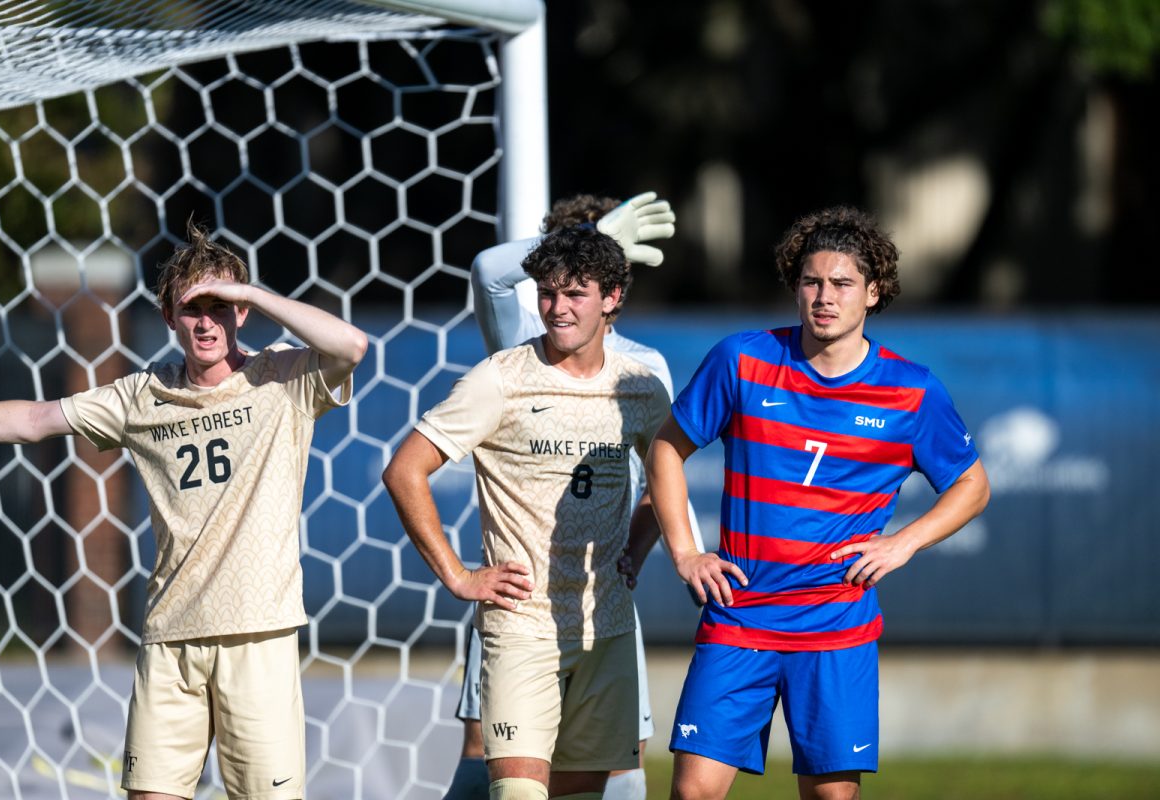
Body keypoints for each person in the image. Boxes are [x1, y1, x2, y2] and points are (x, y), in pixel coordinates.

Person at [0, 221, 368, 800]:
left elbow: (352, 346)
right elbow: (34, 420)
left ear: (241, 314)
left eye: (220, 306)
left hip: (257, 634)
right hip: (170, 637)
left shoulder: (282, 378)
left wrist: (250, 291)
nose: (208, 322)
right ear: (170, 317)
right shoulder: (141, 395)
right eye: (192, 308)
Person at [644, 206, 991, 800]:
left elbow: (972, 485)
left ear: (872, 293)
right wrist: (684, 554)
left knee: (831, 797)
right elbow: (666, 449)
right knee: (692, 792)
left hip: (837, 624)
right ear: (795, 286)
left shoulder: (912, 389)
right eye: (811, 282)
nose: (824, 297)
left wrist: (904, 542)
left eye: (842, 283)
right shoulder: (742, 360)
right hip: (739, 618)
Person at [383, 225, 671, 800]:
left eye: (575, 294)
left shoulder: (639, 386)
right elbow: (405, 470)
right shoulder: (500, 378)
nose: (557, 309)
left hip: (605, 628)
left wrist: (636, 549)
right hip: (520, 628)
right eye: (547, 293)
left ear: (612, 298)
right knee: (516, 792)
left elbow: (668, 478)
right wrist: (458, 575)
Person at [445, 191, 706, 800]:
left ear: (614, 284)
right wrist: (596, 230)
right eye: (549, 273)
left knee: (617, 759)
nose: (560, 297)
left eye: (583, 271)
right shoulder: (520, 336)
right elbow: (489, 269)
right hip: (522, 599)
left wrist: (640, 553)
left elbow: (660, 478)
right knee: (490, 752)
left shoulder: (644, 370)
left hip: (601, 603)